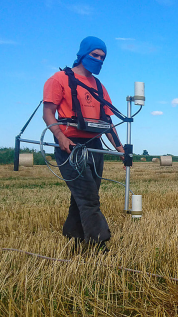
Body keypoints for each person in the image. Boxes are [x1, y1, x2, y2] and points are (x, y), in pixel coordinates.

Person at [42, 36, 124, 252]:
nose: (98, 60)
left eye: (102, 58)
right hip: (70, 144)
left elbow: (107, 120)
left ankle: (73, 235)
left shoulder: (98, 86)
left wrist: (120, 148)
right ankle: (99, 245)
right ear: (82, 54)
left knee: (84, 193)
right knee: (88, 196)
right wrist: (60, 137)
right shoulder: (59, 79)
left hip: (94, 143)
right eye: (95, 55)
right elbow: (48, 113)